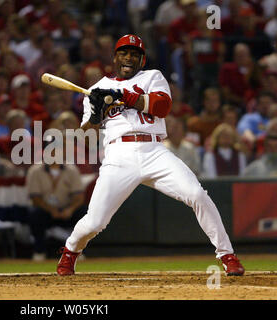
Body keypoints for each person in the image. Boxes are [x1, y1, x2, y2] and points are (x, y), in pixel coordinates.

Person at [56, 34, 245, 277]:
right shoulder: (96, 89)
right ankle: (71, 250)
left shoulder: (153, 77)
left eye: (135, 54)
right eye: (124, 53)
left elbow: (162, 107)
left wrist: (123, 97)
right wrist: (95, 114)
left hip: (154, 150)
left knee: (197, 194)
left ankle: (227, 254)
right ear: (115, 57)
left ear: (142, 60)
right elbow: (86, 133)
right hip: (119, 154)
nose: (129, 58)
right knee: (95, 222)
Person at [26, 136, 86, 261]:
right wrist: (51, 210)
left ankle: (77, 251)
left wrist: (70, 209)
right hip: (46, 212)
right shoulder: (35, 170)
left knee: (83, 212)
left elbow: (79, 196)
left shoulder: (71, 169)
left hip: (66, 210)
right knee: (34, 213)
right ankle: (39, 251)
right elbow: (35, 198)